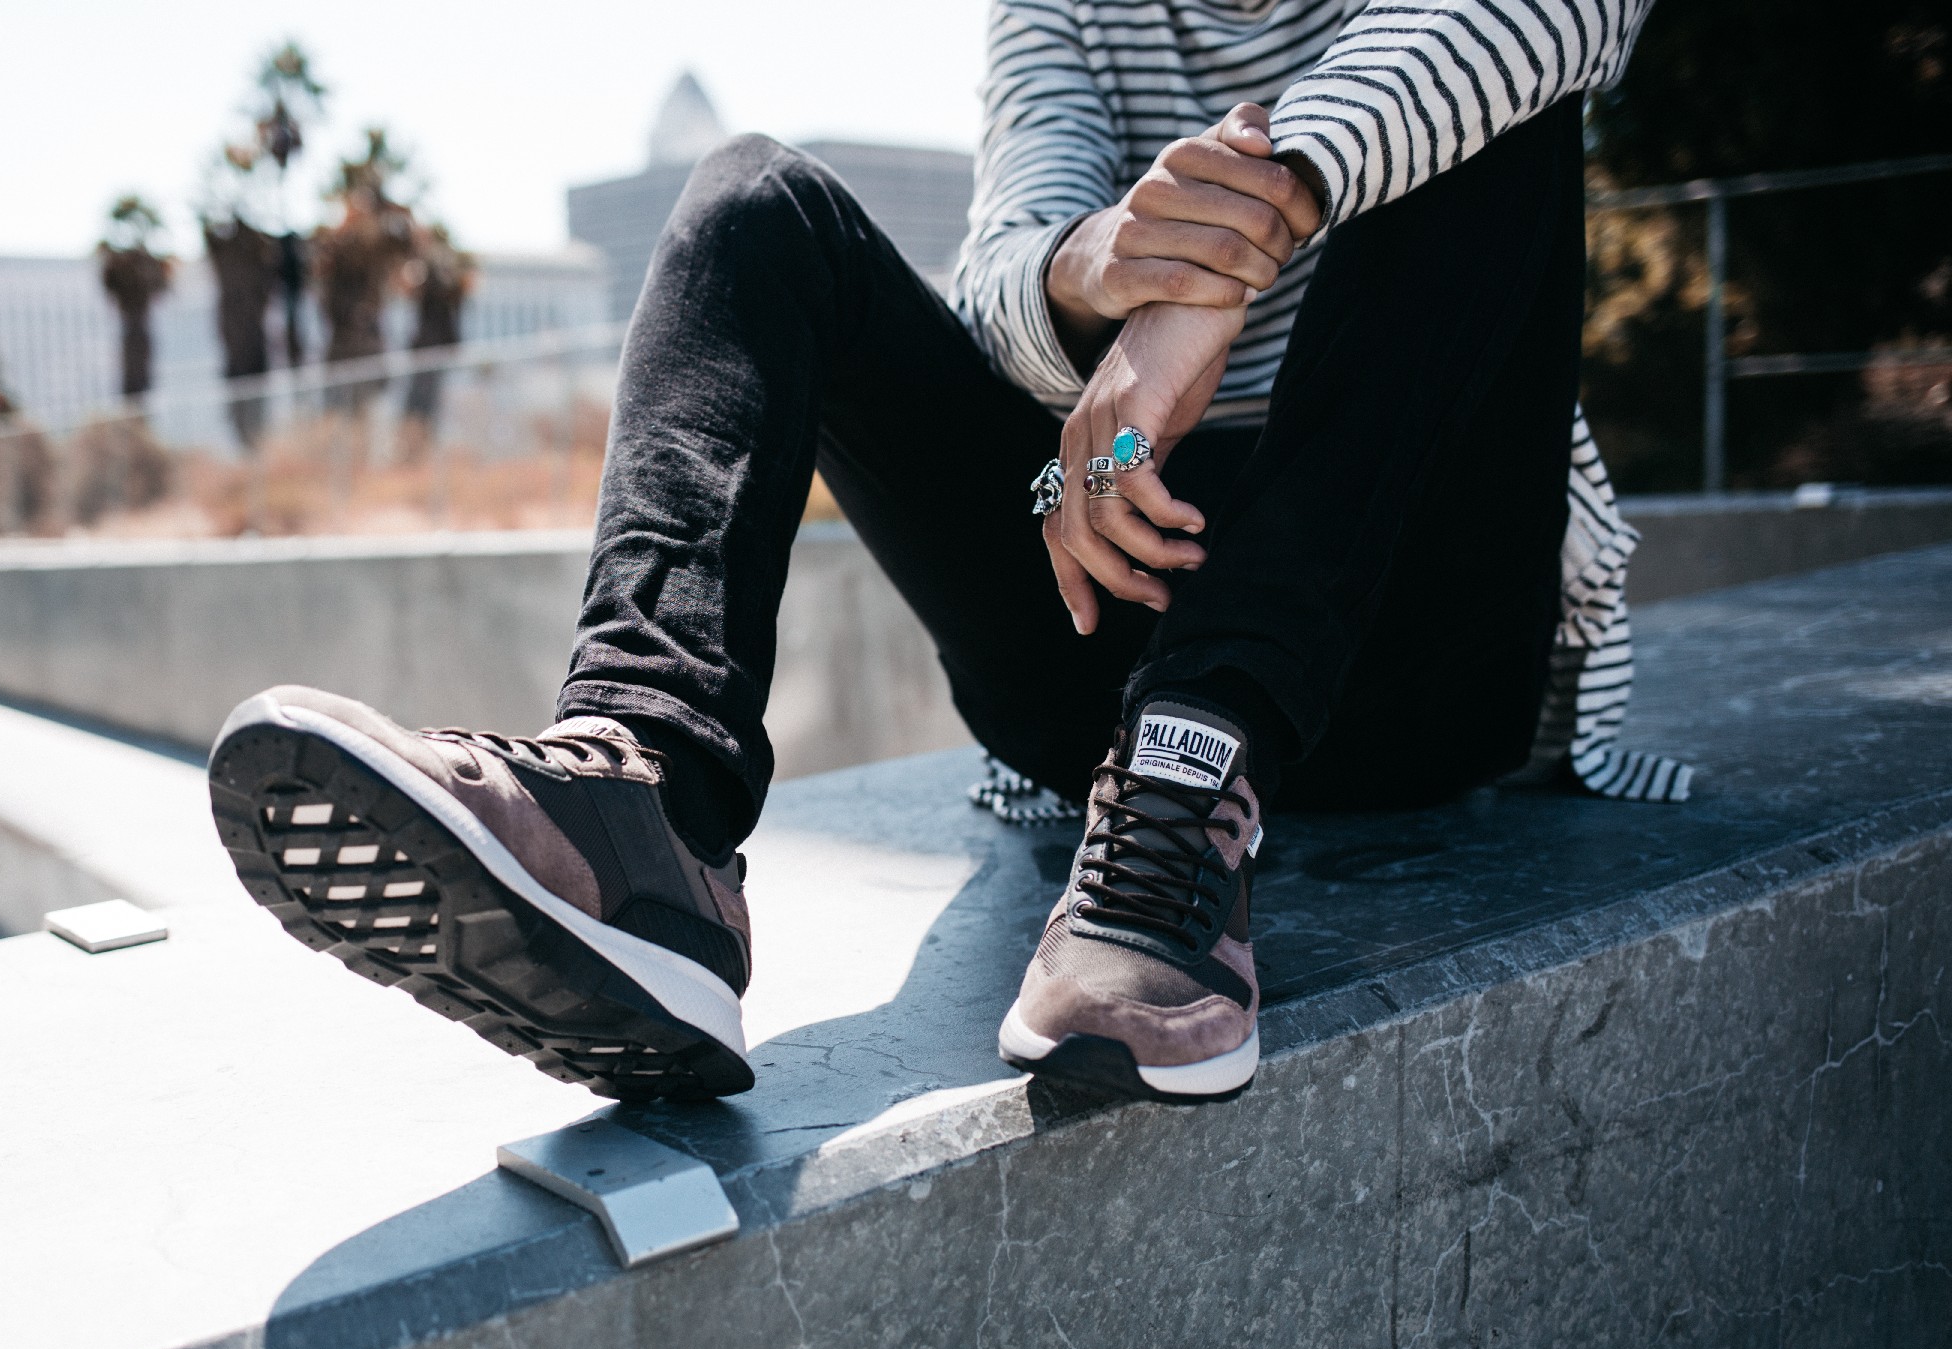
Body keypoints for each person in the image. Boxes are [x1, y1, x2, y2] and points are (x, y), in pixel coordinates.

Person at [208, 0, 1689, 1105]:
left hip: (1404, 641)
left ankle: (1194, 783)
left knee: (1485, 114)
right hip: (1104, 560)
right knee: (753, 205)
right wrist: (1098, 269)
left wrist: (1251, 236)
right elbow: (1002, 270)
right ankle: (650, 802)